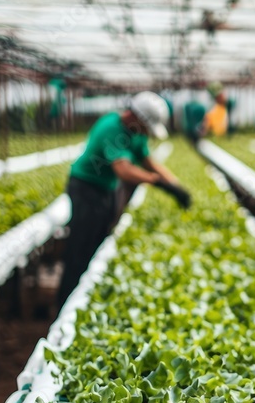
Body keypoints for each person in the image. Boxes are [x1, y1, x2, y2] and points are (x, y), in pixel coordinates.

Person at [57, 91, 191, 309]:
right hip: (86, 189)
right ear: (136, 118)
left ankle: (87, 298)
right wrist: (157, 183)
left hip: (106, 190)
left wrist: (175, 185)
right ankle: (66, 303)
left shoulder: (135, 132)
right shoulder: (112, 128)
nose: (147, 132)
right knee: (81, 247)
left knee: (99, 242)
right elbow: (124, 170)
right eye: (147, 127)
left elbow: (148, 161)